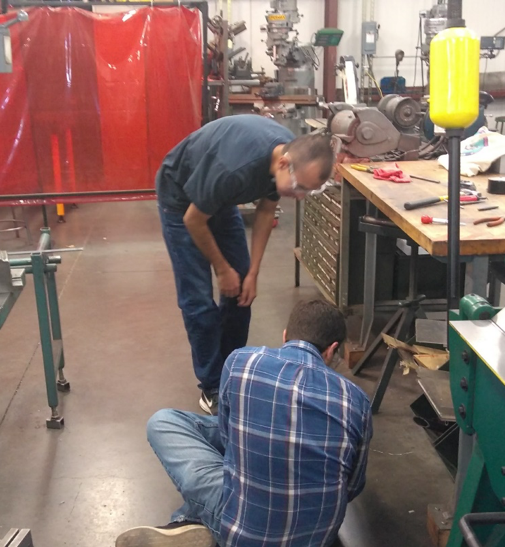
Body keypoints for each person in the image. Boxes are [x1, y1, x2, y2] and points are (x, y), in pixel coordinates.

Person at [116, 299, 373, 547]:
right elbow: (351, 487)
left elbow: (230, 442)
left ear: (285, 336)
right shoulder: (356, 401)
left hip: (242, 535)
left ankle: (187, 521)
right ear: (331, 350)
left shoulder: (242, 362)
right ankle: (190, 523)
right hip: (315, 539)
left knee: (163, 421)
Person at [156, 115, 335, 414]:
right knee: (198, 301)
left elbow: (265, 212)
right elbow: (194, 220)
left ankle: (232, 370)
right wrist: (222, 269)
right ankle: (213, 386)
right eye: (299, 187)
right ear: (283, 164)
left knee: (241, 292)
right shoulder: (235, 169)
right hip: (180, 198)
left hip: (219, 197)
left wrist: (252, 273)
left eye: (308, 191)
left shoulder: (286, 157)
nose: (300, 197)